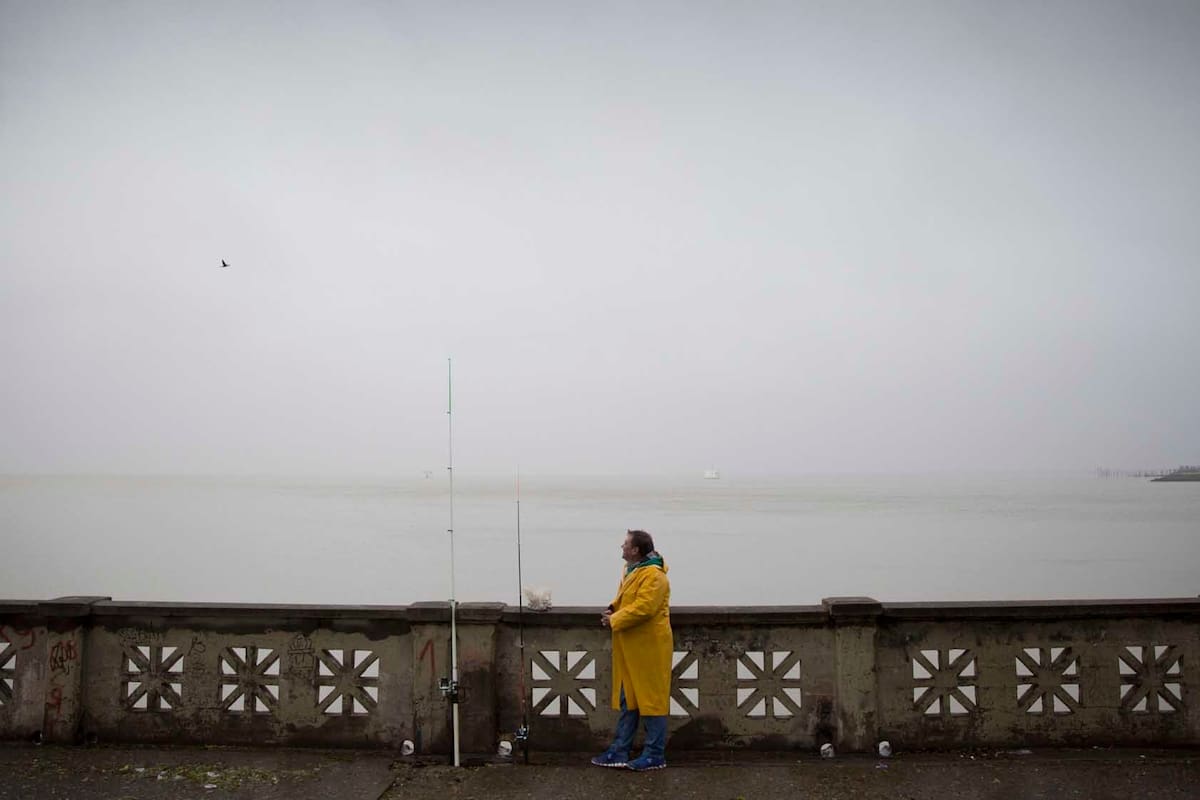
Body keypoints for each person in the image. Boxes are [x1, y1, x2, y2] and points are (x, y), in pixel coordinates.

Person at [591, 529, 672, 771]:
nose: (622, 547)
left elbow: (645, 608)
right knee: (629, 700)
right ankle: (620, 749)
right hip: (631, 647)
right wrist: (612, 608)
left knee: (652, 701)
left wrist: (614, 620)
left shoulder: (655, 576)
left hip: (650, 648)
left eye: (625, 544)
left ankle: (655, 754)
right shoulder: (632, 570)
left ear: (636, 549)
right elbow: (626, 598)